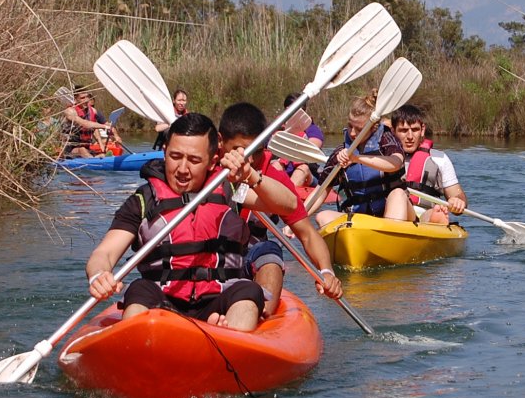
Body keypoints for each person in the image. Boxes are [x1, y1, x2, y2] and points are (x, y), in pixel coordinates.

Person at [85, 112, 292, 331]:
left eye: (194, 160)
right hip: (163, 300)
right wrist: (99, 275)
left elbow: (288, 205)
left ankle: (231, 337)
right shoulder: (144, 200)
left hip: (221, 297)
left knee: (248, 292)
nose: (182, 169)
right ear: (164, 151)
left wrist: (250, 175)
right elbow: (104, 253)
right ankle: (139, 339)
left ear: (212, 161)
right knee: (138, 291)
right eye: (175, 156)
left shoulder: (231, 190)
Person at [218, 102, 342, 318]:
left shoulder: (272, 175)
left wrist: (326, 271)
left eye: (256, 152)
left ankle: (261, 316)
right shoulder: (206, 165)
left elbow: (307, 233)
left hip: (249, 255)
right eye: (239, 150)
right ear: (220, 142)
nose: (248, 160)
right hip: (210, 253)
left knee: (270, 254)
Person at [314, 90, 412, 227]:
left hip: (394, 212)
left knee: (398, 194)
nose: (352, 133)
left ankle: (390, 237)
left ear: (373, 127)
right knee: (323, 216)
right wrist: (295, 222)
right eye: (350, 126)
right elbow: (319, 193)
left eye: (359, 129)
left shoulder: (386, 139)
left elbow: (395, 163)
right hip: (362, 217)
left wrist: (357, 158)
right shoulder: (341, 153)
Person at [391, 104, 467, 225]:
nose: (410, 136)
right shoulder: (384, 159)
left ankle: (437, 217)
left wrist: (458, 201)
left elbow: (457, 194)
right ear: (393, 131)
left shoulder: (439, 159)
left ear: (422, 130)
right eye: (403, 130)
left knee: (433, 213)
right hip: (393, 211)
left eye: (415, 130)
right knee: (397, 195)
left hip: (425, 214)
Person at [274, 92, 325, 190]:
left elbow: (311, 149)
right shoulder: (277, 129)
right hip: (285, 172)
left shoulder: (312, 130)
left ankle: (288, 195)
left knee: (302, 169)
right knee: (276, 165)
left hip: (308, 176)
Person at [61, 86, 114, 158]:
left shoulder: (93, 111)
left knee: (104, 153)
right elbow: (85, 124)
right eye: (82, 98)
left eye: (87, 97)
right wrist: (104, 126)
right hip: (70, 149)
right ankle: (94, 160)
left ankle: (98, 158)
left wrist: (101, 144)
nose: (86, 100)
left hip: (86, 147)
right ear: (75, 100)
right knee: (82, 150)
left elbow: (94, 128)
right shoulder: (70, 111)